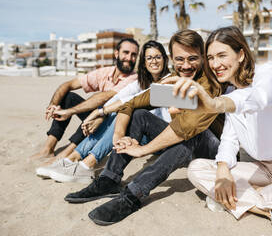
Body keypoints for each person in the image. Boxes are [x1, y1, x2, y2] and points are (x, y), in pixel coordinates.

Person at [169, 26, 272, 236]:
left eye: (221, 55)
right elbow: (229, 140)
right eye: (210, 58)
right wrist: (222, 167)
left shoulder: (269, 75)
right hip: (263, 170)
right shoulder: (231, 94)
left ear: (241, 54)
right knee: (197, 169)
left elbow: (257, 98)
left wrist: (213, 104)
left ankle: (247, 200)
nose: (215, 64)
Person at [64, 29, 224, 226]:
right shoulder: (175, 82)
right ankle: (109, 179)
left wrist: (142, 150)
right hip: (183, 142)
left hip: (215, 152)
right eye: (179, 59)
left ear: (202, 57)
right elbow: (131, 104)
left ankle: (133, 194)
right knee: (140, 115)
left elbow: (187, 126)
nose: (186, 65)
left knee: (191, 136)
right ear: (171, 59)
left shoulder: (210, 83)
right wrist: (119, 138)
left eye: (193, 59)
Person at [36, 40, 171, 183]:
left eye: (158, 57)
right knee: (116, 112)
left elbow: (133, 100)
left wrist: (100, 112)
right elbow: (121, 96)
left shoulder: (170, 81)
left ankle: (87, 165)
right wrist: (101, 113)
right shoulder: (142, 81)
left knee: (126, 112)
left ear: (165, 59)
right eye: (149, 58)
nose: (154, 61)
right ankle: (72, 158)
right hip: (144, 133)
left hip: (163, 140)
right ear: (144, 62)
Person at [31, 38, 139, 163]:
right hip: (100, 114)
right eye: (126, 52)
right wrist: (52, 106)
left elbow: (105, 97)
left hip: (115, 122)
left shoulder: (134, 79)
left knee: (95, 110)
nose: (129, 58)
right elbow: (68, 84)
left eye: (133, 55)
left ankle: (68, 152)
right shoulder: (106, 72)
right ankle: (48, 149)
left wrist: (69, 111)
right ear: (116, 54)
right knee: (68, 97)